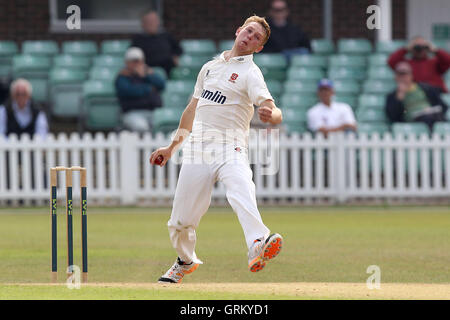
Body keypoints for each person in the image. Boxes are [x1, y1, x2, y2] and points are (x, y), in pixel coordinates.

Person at [150, 15, 284, 283]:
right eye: (248, 31)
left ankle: (258, 242)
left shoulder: (250, 72)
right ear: (238, 31)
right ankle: (184, 261)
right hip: (198, 149)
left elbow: (272, 107)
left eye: (257, 38)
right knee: (179, 222)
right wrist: (172, 147)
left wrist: (273, 114)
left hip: (230, 146)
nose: (250, 37)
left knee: (241, 187)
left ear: (259, 48)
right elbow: (191, 110)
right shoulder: (209, 67)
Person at [115, 47, 165, 132]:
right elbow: (129, 91)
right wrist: (149, 88)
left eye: (139, 61)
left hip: (153, 111)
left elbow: (161, 84)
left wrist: (147, 75)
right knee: (141, 127)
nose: (137, 64)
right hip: (132, 112)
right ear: (127, 63)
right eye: (134, 61)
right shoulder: (122, 77)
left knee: (164, 125)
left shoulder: (148, 74)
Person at [385, 62, 448, 129]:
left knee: (436, 118)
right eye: (400, 75)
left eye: (405, 74)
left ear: (411, 75)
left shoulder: (425, 88)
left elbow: (442, 105)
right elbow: (393, 117)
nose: (403, 78)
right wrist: (398, 99)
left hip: (432, 116)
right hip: (413, 120)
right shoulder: (392, 96)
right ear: (396, 77)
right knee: (429, 119)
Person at [131, 10, 183, 75]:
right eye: (149, 21)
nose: (152, 23)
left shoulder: (166, 36)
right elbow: (133, 55)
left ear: (158, 22)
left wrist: (175, 56)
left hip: (167, 68)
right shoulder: (137, 39)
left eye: (154, 21)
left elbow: (178, 49)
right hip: (147, 71)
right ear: (143, 24)